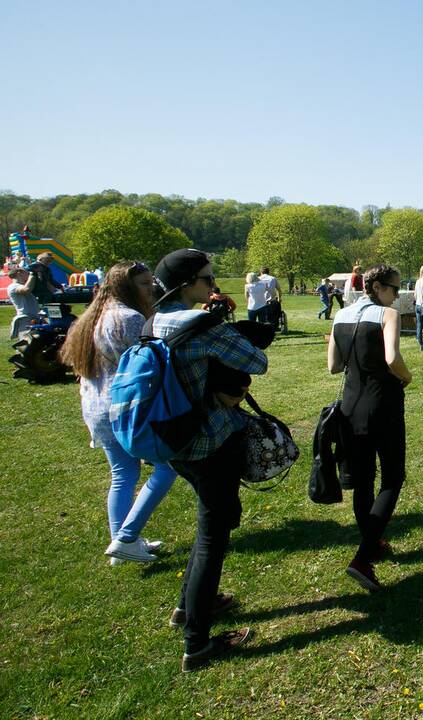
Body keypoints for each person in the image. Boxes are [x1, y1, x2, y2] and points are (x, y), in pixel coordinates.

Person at [152, 249, 268, 672]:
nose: (212, 286)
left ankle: (186, 608)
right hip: (209, 442)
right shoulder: (199, 324)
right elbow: (257, 360)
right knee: (211, 537)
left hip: (171, 440)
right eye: (206, 279)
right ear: (185, 285)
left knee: (208, 526)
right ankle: (196, 643)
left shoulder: (151, 322)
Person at [59, 261, 177, 565]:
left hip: (97, 407)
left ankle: (123, 543)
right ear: (125, 287)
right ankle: (126, 536)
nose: (151, 288)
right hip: (125, 410)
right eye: (143, 284)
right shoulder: (130, 318)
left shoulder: (92, 317)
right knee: (167, 467)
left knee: (123, 475)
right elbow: (151, 361)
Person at [328, 264, 413, 593]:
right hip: (383, 404)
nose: (396, 295)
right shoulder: (386, 315)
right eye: (394, 288)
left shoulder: (340, 316)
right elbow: (393, 358)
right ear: (377, 287)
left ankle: (372, 543)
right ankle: (363, 558)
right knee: (392, 478)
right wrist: (407, 377)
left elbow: (334, 366)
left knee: (363, 481)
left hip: (350, 407)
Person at [6, 266, 39, 338]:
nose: (28, 274)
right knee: (26, 344)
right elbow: (26, 290)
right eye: (27, 273)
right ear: (19, 273)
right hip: (25, 318)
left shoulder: (21, 285)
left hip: (33, 317)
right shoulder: (13, 286)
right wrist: (32, 276)